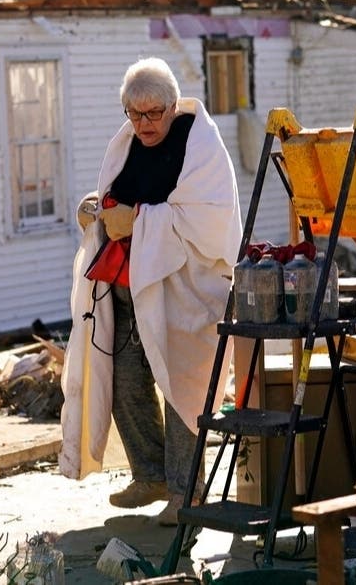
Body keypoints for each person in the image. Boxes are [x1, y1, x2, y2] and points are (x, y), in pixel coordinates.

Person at [60, 57, 242, 526]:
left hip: (185, 291)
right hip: (126, 288)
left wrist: (139, 221)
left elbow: (211, 222)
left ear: (172, 104)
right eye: (134, 114)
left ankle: (186, 492)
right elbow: (116, 196)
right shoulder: (127, 142)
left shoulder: (200, 145)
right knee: (123, 381)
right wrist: (96, 211)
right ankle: (150, 473)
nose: (144, 124)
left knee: (182, 388)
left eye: (153, 113)